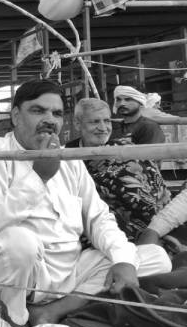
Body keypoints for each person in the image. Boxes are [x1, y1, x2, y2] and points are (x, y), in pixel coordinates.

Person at [0, 79, 171, 327]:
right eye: (38, 110)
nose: (50, 119)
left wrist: (123, 260)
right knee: (19, 242)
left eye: (57, 113)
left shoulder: (70, 161)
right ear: (16, 116)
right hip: (7, 278)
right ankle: (15, 315)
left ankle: (52, 310)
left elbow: (98, 218)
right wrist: (38, 177)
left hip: (68, 273)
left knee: (155, 257)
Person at [65, 98, 170, 241]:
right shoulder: (67, 156)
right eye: (95, 122)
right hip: (105, 231)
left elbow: (156, 185)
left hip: (155, 223)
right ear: (78, 124)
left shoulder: (126, 148)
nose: (103, 128)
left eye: (107, 121)